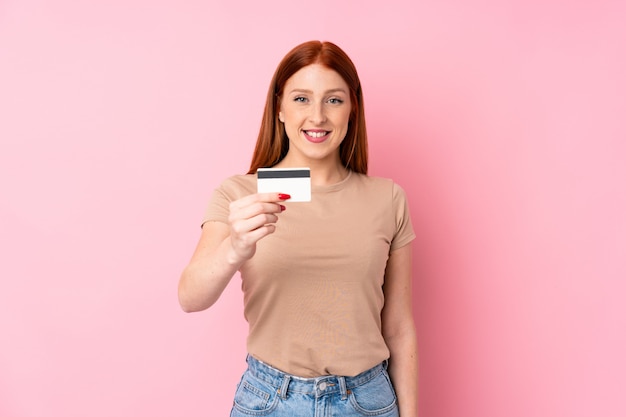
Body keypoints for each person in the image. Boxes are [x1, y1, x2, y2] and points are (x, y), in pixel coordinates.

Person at [178, 40, 418, 417]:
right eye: (302, 99)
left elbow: (399, 327)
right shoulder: (239, 193)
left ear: (352, 109)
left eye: (334, 100)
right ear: (280, 108)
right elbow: (190, 297)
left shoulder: (387, 199)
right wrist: (233, 248)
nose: (318, 116)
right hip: (269, 399)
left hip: (366, 400)